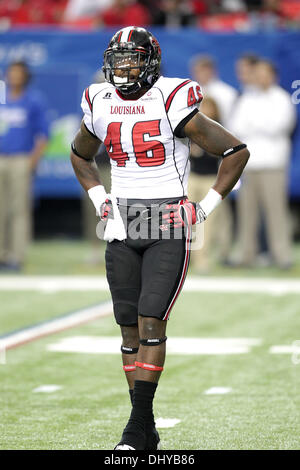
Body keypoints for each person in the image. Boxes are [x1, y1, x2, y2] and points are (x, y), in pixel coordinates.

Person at [70, 26, 249, 450]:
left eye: (132, 59)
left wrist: (203, 208)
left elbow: (235, 151)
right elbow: (80, 155)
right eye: (118, 60)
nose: (123, 68)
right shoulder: (100, 99)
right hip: (122, 222)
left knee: (153, 317)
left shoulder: (173, 96)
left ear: (150, 61)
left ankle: (136, 427)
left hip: (168, 219)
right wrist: (100, 198)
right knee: (128, 326)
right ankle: (145, 431)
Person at [230, 59, 296, 269]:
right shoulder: (247, 98)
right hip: (249, 165)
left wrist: (254, 126)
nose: (259, 78)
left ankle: (282, 255)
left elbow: (279, 126)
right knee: (246, 212)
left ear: (272, 75)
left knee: (275, 211)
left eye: (263, 74)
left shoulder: (282, 99)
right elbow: (235, 127)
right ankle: (246, 254)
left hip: (273, 164)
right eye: (257, 74)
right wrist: (257, 126)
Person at [0, 61, 49, 271]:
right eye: (12, 73)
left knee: (19, 209)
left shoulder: (33, 100)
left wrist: (32, 161)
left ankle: (16, 256)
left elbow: (43, 134)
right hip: (1, 158)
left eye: (19, 73)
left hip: (21, 159)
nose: (15, 77)